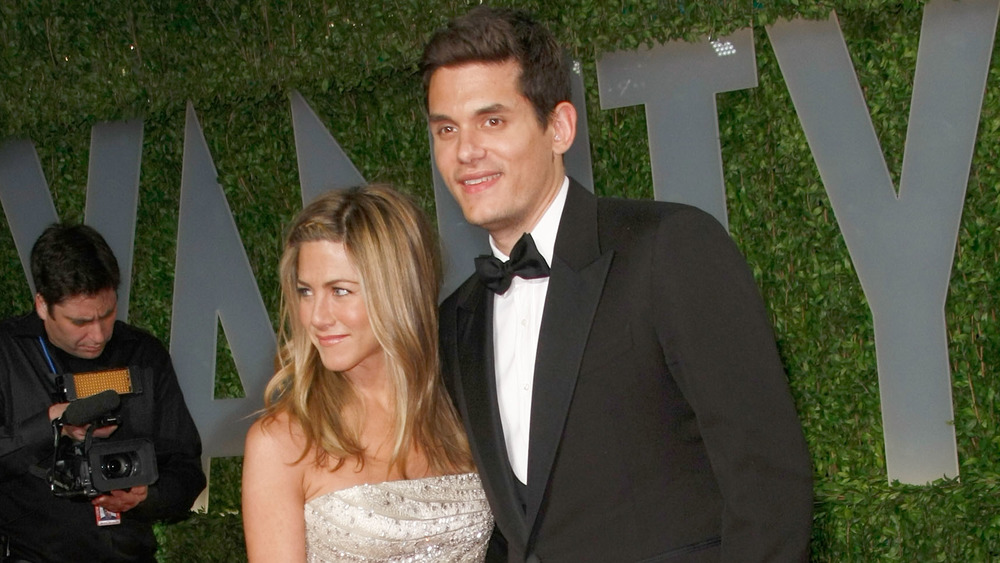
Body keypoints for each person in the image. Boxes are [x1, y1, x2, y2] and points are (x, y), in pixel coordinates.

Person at [424, 7, 814, 562]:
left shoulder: (671, 248)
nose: (466, 152)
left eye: (492, 121)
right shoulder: (456, 320)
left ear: (558, 127)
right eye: (446, 129)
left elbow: (769, 484)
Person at [241, 185, 493, 562]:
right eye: (305, 291)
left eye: (340, 291)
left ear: (398, 292)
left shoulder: (469, 410)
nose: (317, 317)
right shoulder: (282, 443)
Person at [0, 223, 206, 562]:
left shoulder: (143, 353)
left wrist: (145, 497)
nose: (97, 334)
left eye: (107, 314)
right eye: (79, 322)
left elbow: (186, 470)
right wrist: (52, 423)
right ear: (42, 305)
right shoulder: (8, 353)